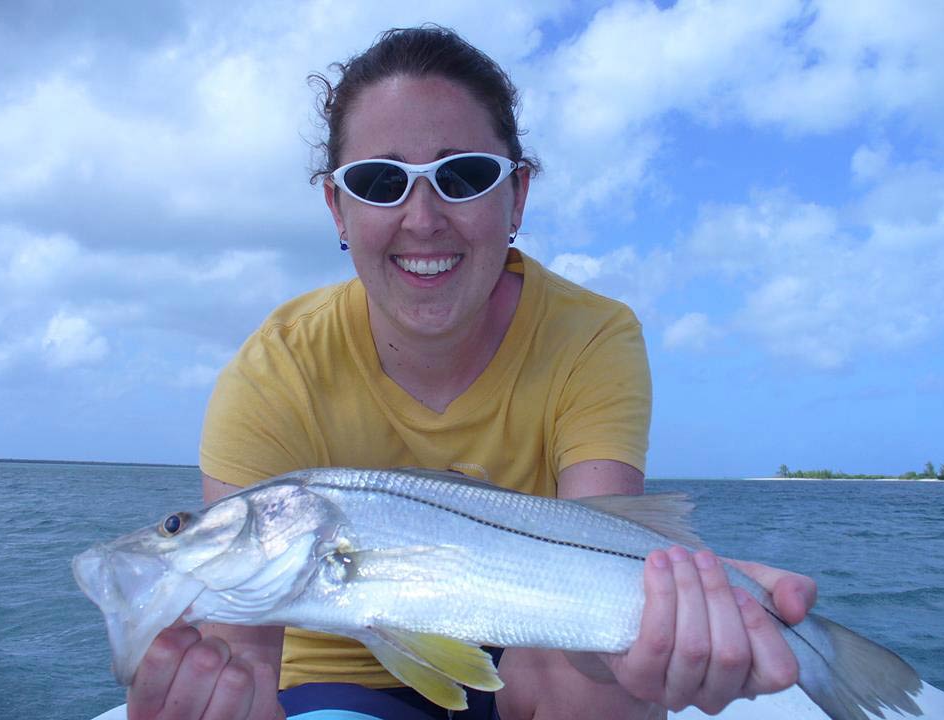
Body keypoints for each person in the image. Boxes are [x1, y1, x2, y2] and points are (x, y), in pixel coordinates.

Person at [125, 26, 816, 720]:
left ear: (516, 196)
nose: (422, 219)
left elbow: (599, 555)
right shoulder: (273, 370)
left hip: (533, 658)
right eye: (378, 182)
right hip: (337, 684)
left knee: (601, 693)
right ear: (338, 207)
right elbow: (243, 653)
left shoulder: (592, 333)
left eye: (462, 176)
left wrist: (659, 636)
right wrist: (228, 704)